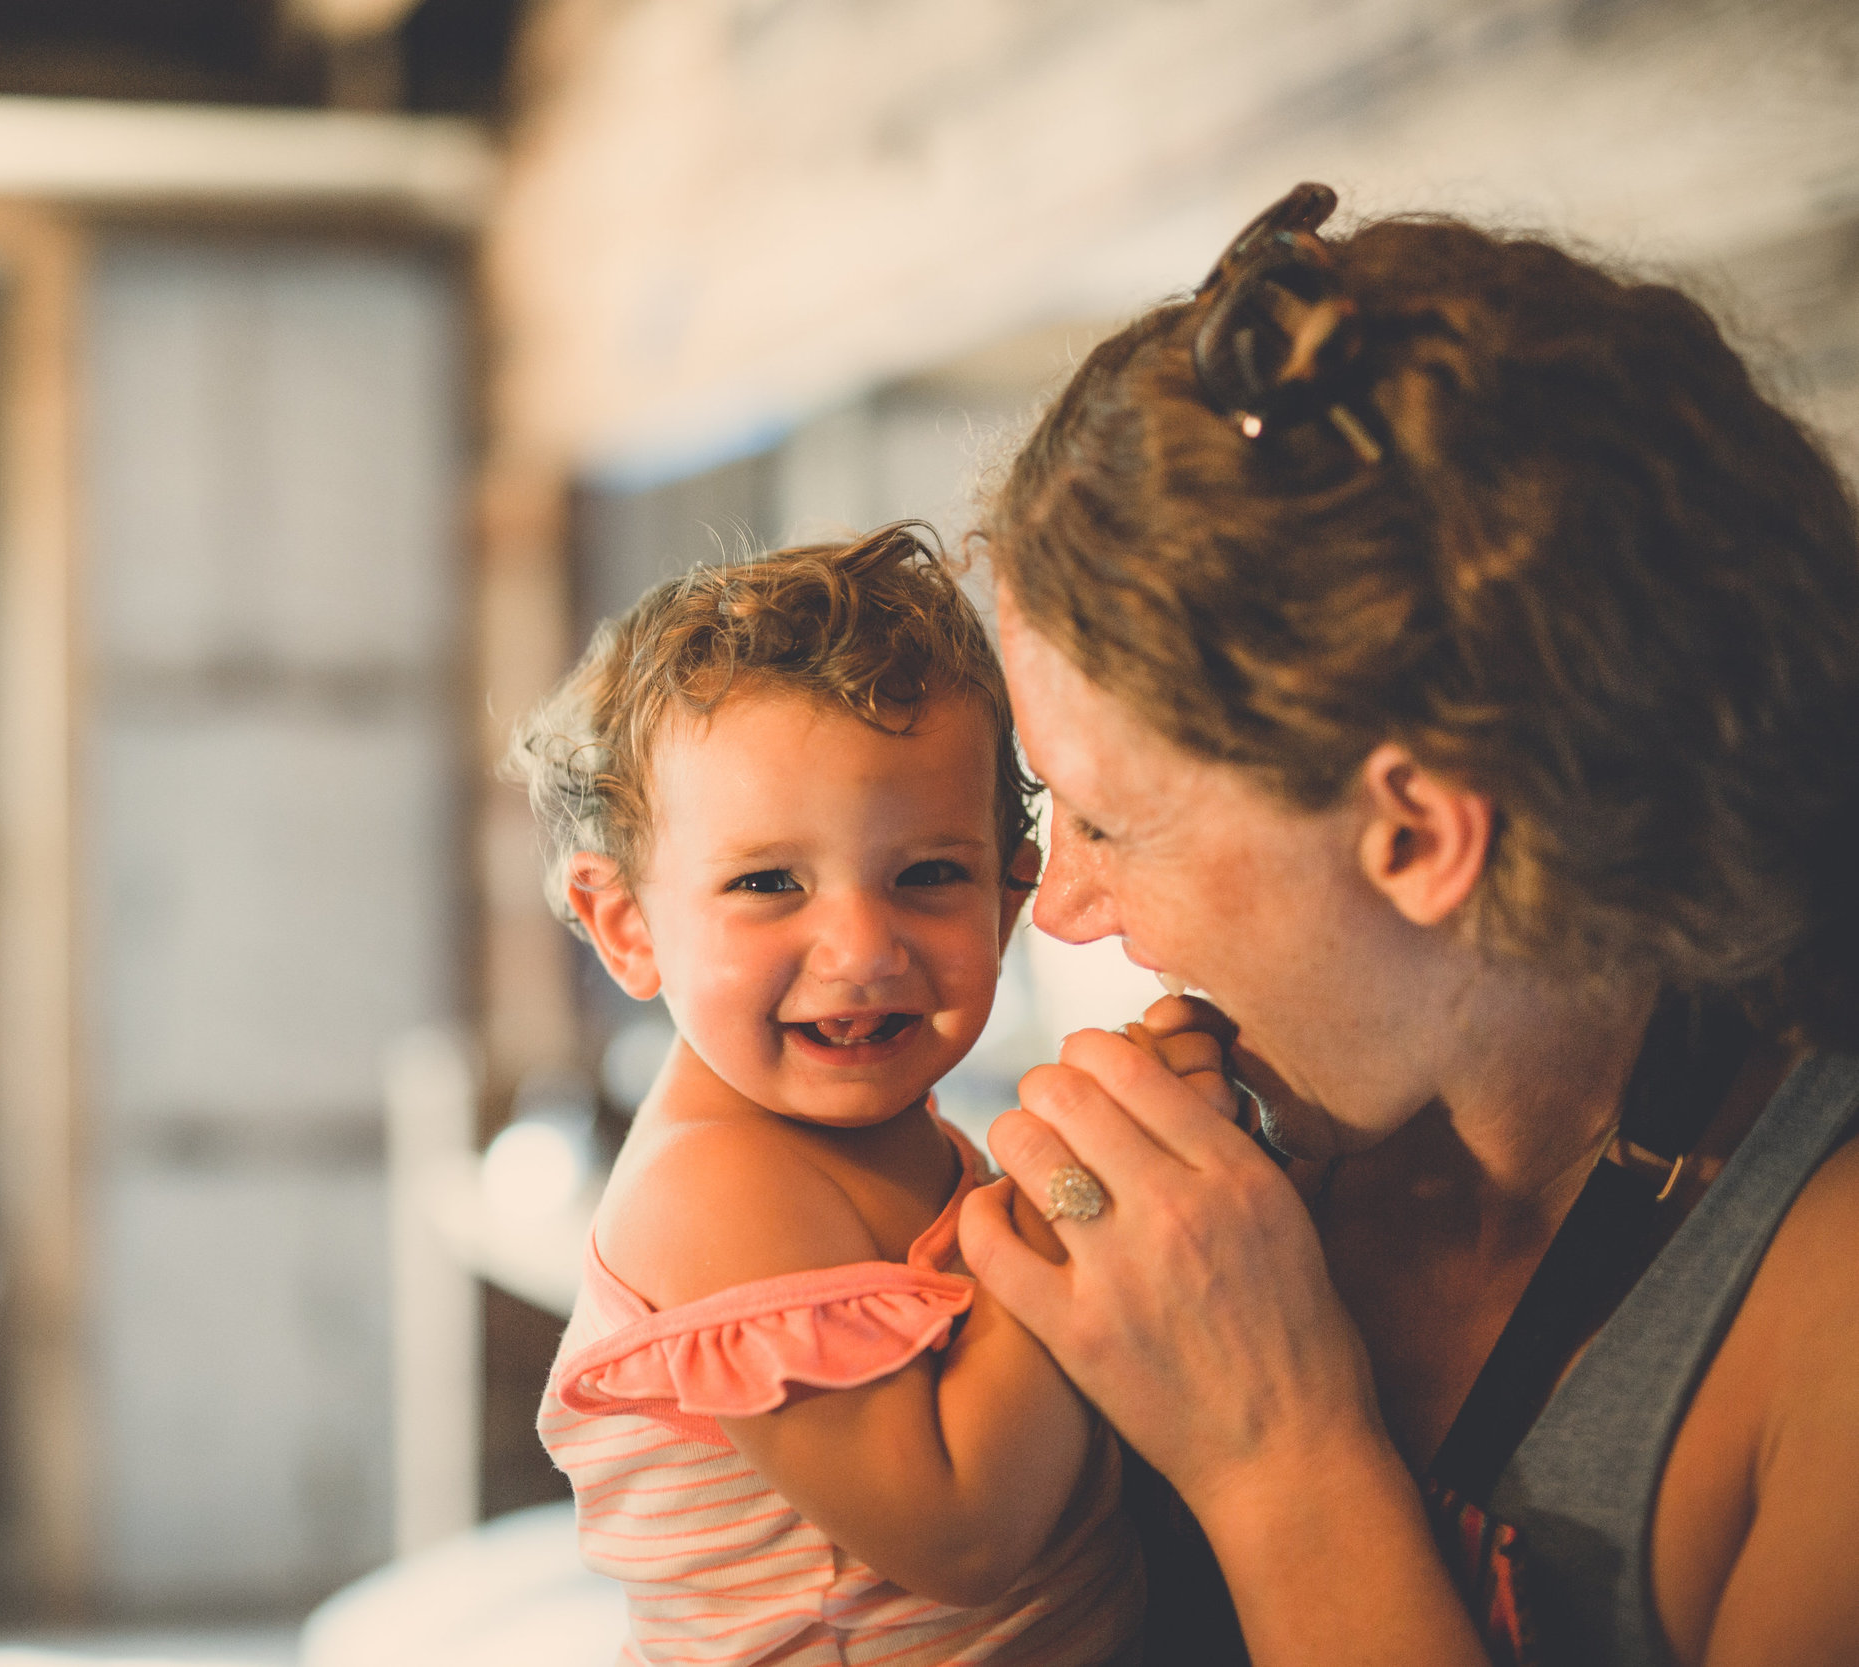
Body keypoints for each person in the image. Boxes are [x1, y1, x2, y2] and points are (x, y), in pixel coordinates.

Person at [955, 183, 1859, 1665]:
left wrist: (1275, 1455)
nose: (1060, 898)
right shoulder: (1269, 1158)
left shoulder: (1821, 1319)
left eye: (1109, 821)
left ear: (1427, 835)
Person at [513, 529, 1191, 1666]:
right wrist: (1076, 1184)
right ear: (627, 923)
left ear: (1009, 894)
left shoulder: (887, 1134)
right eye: (768, 882)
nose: (864, 948)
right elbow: (964, 1529)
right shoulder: (712, 1185)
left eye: (928, 874)